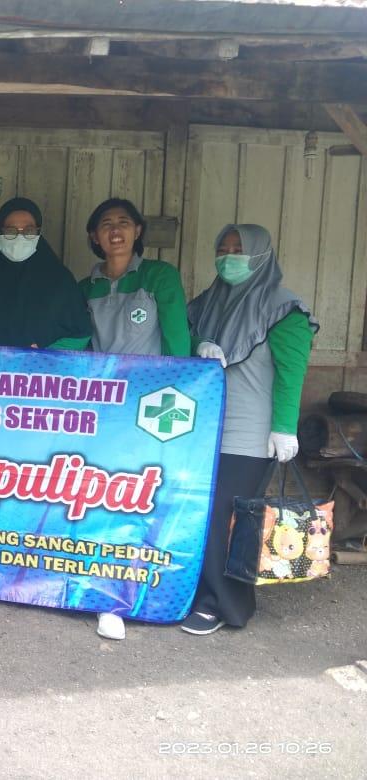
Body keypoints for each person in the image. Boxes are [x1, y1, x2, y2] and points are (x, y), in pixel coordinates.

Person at [182, 223, 316, 636]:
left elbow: (292, 373)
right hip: (203, 428)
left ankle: (224, 604)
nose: (229, 257)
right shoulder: (208, 303)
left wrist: (284, 427)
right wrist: (198, 345)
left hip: (249, 434)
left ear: (261, 255)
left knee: (230, 520)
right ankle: (197, 594)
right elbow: (183, 337)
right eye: (222, 249)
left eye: (238, 249)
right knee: (201, 515)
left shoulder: (284, 308)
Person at [79, 197, 191, 641]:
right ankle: (106, 596)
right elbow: (76, 342)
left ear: (138, 230)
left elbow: (177, 339)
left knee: (146, 497)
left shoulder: (159, 277)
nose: (115, 230)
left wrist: (188, 386)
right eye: (105, 224)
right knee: (104, 496)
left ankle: (142, 592)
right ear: (94, 236)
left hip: (151, 409)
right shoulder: (84, 285)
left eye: (124, 222)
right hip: (104, 408)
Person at [0, 197, 91, 350]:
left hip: (45, 365)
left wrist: (44, 354)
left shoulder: (60, 280)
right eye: (10, 231)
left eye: (29, 231)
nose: (20, 238)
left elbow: (81, 332)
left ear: (38, 233)